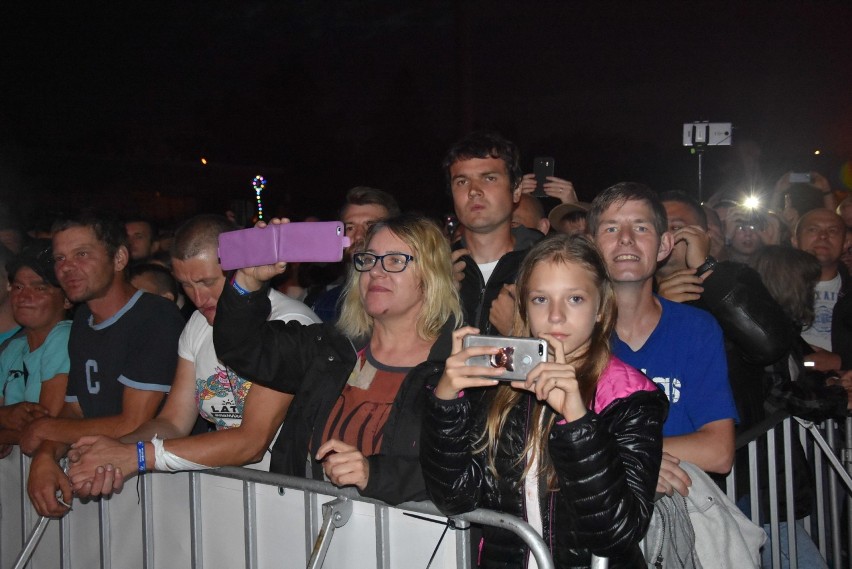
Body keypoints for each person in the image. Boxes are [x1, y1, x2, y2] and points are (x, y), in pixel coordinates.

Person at [69, 216, 461, 506]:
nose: (375, 271)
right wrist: (248, 282)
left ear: (430, 275)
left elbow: (464, 472)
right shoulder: (330, 348)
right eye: (368, 260)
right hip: (302, 522)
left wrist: (374, 474)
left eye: (395, 261)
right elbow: (242, 347)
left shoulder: (454, 364)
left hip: (410, 542)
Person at [421, 235, 668, 568]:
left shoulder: (630, 395)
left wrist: (578, 420)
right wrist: (447, 402)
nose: (555, 316)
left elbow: (616, 534)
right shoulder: (502, 386)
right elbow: (455, 497)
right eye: (540, 299)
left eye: (575, 299)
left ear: (601, 308)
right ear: (524, 306)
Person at [66, 215, 320, 492]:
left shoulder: (289, 324)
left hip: (292, 495)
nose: (198, 299)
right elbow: (173, 422)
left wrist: (137, 456)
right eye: (186, 285)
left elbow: (252, 443)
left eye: (207, 281)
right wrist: (111, 451)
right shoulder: (198, 324)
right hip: (231, 489)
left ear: (240, 268)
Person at [21, 213, 184, 517]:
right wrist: (45, 455)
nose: (67, 267)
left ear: (119, 258)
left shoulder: (155, 317)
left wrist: (44, 428)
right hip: (112, 485)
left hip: (166, 492)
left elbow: (133, 422)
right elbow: (76, 408)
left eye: (82, 254)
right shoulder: (82, 318)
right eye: (59, 258)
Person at [589, 183, 737, 497]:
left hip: (681, 513)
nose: (626, 238)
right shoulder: (573, 331)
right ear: (591, 246)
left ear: (664, 245)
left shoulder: (696, 329)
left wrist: (616, 455)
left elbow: (719, 451)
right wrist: (639, 458)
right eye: (612, 228)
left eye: (640, 227)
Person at [444, 131, 541, 336]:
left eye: (488, 178)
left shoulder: (548, 265)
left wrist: (521, 335)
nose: (473, 191)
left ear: (516, 191)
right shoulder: (433, 269)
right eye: (461, 181)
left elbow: (577, 357)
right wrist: (434, 300)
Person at [0, 241, 72, 456]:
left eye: (40, 288)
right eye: (19, 287)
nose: (24, 297)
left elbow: (47, 424)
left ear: (67, 299)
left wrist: (4, 432)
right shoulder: (13, 348)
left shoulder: (64, 336)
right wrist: (6, 416)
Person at [309, 186, 400, 323]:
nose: (358, 236)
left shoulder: (410, 298)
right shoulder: (324, 305)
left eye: (371, 226)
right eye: (350, 228)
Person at [792, 208, 852, 372]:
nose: (823, 236)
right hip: (789, 386)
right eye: (813, 229)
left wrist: (840, 362)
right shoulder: (775, 287)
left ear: (846, 242)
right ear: (795, 240)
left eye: (832, 231)